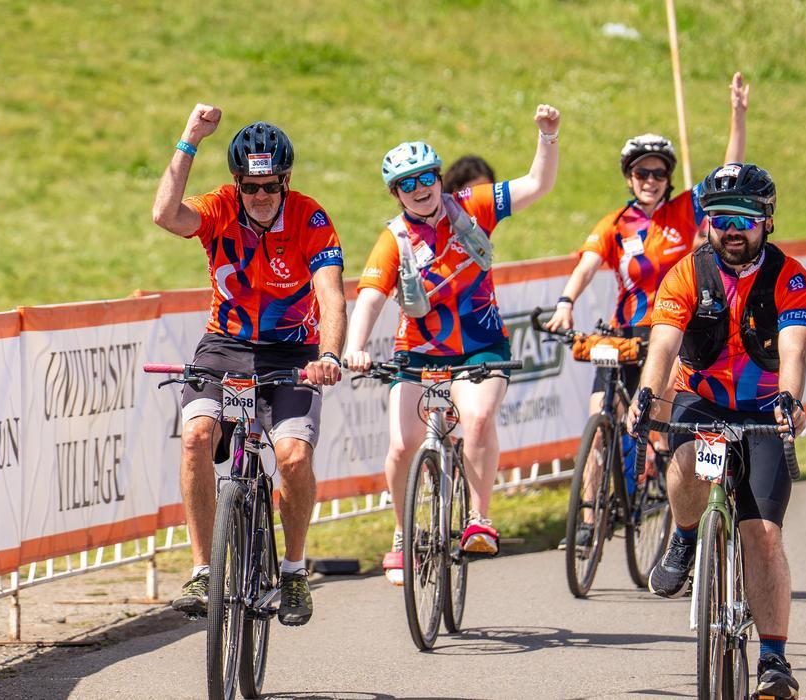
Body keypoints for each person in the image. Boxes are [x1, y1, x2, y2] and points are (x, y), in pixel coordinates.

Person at [344, 104, 561, 585]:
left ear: (440, 178)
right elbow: (371, 298)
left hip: (481, 345)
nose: (420, 191)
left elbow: (537, 185)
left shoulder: (473, 205)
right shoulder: (394, 239)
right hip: (418, 352)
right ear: (395, 193)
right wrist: (355, 347)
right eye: (408, 185)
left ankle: (479, 518)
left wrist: (548, 137)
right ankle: (402, 535)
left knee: (479, 418)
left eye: (427, 179)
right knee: (402, 445)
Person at [152, 105, 346, 625]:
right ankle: (202, 571)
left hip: (291, 351)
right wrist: (190, 137)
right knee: (196, 437)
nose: (260, 197)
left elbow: (331, 295)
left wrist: (328, 355)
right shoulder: (219, 208)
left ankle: (294, 571)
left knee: (292, 458)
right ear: (237, 183)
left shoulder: (311, 218)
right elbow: (165, 215)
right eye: (250, 186)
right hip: (226, 344)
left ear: (286, 181)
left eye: (270, 186)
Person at [627, 163, 806, 699]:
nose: (733, 229)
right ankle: (685, 538)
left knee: (764, 535)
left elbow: (794, 349)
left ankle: (775, 659)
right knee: (685, 466)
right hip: (702, 400)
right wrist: (647, 393)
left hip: (762, 409)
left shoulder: (791, 277)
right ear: (707, 221)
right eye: (721, 218)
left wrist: (791, 399)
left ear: (768, 221)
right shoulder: (687, 272)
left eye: (746, 218)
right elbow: (663, 344)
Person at [545, 72, 750, 548]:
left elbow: (730, 167)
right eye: (642, 173)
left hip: (676, 332)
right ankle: (589, 520)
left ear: (668, 178)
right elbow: (587, 263)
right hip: (626, 334)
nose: (651, 181)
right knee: (600, 421)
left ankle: (672, 495)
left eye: (658, 173)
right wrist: (565, 302)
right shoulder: (616, 223)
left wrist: (737, 115)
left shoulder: (687, 211)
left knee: (664, 425)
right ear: (629, 177)